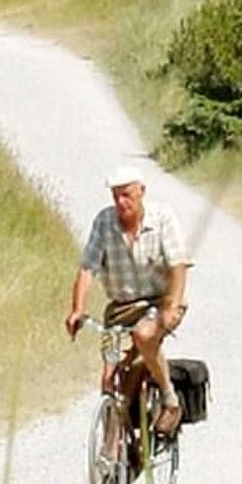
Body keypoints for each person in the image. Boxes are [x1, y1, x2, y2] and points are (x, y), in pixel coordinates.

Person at [65, 164, 192, 435]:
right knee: (111, 381)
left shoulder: (162, 219)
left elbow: (178, 265)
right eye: (116, 196)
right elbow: (88, 267)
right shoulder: (104, 222)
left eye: (127, 195)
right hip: (122, 308)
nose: (121, 202)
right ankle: (113, 455)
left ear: (141, 192)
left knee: (145, 336)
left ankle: (170, 401)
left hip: (160, 301)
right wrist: (77, 309)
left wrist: (172, 306)